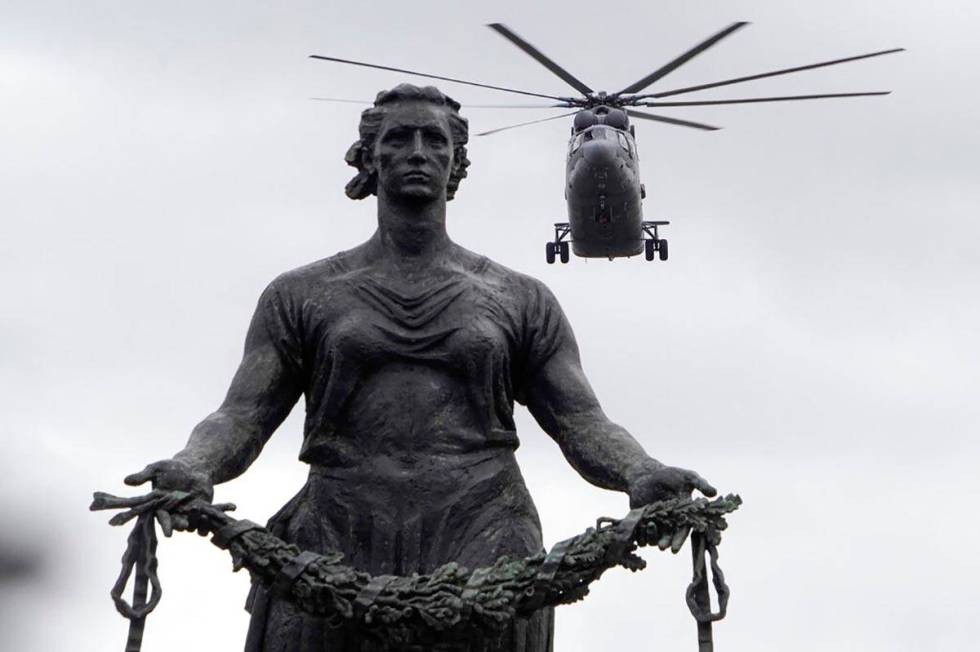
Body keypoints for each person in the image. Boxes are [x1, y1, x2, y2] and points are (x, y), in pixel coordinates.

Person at [124, 84, 716, 652]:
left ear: (457, 162)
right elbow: (243, 414)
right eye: (399, 139)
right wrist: (192, 464)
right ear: (369, 158)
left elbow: (583, 421)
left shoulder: (518, 298)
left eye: (435, 141)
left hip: (485, 532)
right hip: (334, 533)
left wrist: (641, 471)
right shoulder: (303, 294)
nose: (417, 154)